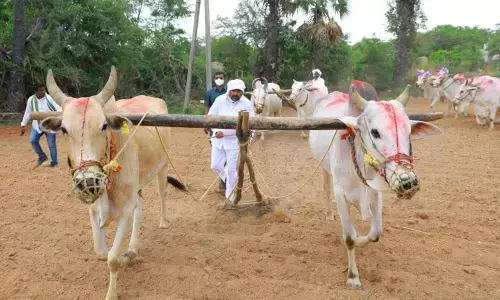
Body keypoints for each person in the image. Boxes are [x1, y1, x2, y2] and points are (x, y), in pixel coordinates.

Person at [207, 79, 255, 203]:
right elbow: (211, 116)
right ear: (229, 90)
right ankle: (230, 180)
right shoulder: (219, 100)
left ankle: (230, 198)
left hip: (234, 142)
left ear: (242, 92)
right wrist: (216, 130)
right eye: (233, 91)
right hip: (218, 140)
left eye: (238, 91)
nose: (235, 93)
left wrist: (249, 138)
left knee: (231, 168)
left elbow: (251, 124)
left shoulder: (247, 104)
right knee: (215, 166)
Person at [20, 85, 62, 168]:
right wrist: (23, 124)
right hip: (37, 125)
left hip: (49, 125)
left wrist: (60, 114)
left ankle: (54, 163)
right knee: (33, 140)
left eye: (44, 90)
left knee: (51, 144)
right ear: (36, 92)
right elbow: (28, 113)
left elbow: (58, 109)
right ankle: (42, 157)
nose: (43, 92)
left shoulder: (49, 98)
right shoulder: (31, 99)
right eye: (41, 90)